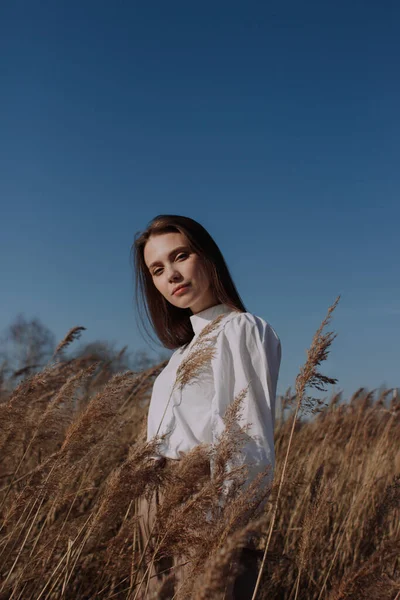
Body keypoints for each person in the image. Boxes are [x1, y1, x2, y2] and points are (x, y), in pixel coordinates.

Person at [131, 214, 281, 598]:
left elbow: (247, 437)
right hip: (156, 505)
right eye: (158, 269)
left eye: (180, 256)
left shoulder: (241, 329)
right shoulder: (181, 353)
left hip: (204, 503)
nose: (171, 276)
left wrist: (233, 528)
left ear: (208, 257)